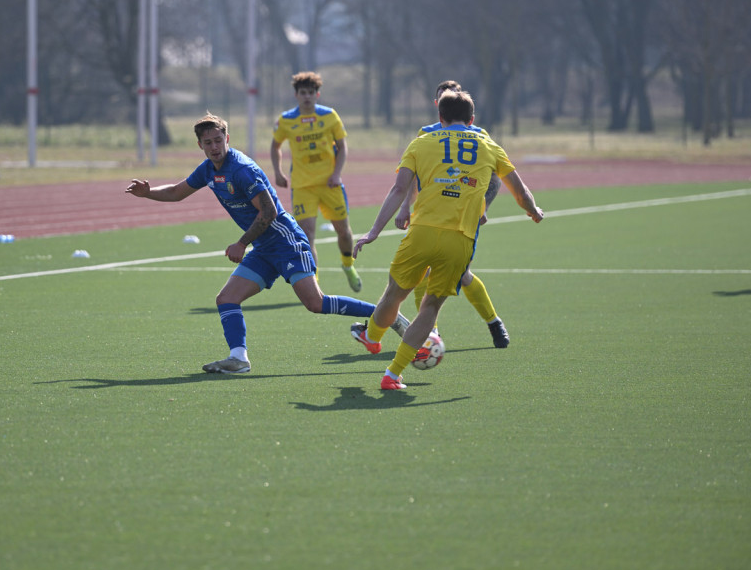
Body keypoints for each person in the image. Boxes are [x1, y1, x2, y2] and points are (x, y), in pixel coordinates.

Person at [126, 113, 408, 374]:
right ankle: (238, 358)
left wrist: (241, 243)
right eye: (208, 142)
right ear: (200, 145)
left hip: (286, 241)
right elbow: (177, 192)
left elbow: (269, 212)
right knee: (226, 299)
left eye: (218, 140)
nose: (214, 146)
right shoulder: (208, 169)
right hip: (263, 248)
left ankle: (387, 315)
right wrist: (148, 193)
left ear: (228, 139)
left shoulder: (241, 170)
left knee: (315, 303)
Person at [351, 90, 544, 390]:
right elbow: (520, 190)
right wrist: (533, 210)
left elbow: (399, 189)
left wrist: (373, 231)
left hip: (422, 232)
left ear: (439, 117)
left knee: (394, 294)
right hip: (460, 239)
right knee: (430, 307)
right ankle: (392, 375)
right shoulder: (489, 145)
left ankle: (373, 337)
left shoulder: (421, 142)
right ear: (472, 119)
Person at [395, 80, 510, 349]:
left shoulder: (478, 134)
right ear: (438, 105)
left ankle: (493, 321)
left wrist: (485, 206)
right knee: (422, 274)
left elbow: (495, 178)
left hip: (461, 218)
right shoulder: (425, 135)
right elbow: (412, 177)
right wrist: (404, 207)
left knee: (463, 275)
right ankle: (431, 334)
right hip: (428, 216)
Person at [270, 71, 362, 292]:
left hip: (330, 184)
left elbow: (342, 147)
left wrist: (337, 173)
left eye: (311, 92)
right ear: (296, 95)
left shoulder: (329, 116)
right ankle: (315, 283)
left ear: (317, 94)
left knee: (344, 231)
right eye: (303, 93)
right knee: (307, 234)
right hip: (303, 186)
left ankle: (348, 265)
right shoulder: (286, 120)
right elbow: (275, 147)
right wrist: (278, 172)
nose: (307, 97)